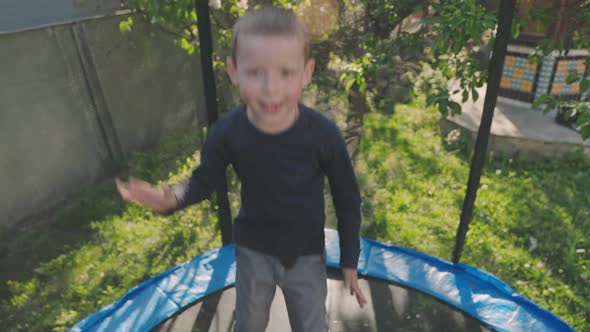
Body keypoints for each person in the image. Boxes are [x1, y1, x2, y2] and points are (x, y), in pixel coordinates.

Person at [115, 6, 366, 332]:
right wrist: (171, 198)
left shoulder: (323, 135)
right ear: (234, 72)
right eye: (255, 72)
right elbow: (204, 180)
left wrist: (349, 261)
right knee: (248, 325)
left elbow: (347, 198)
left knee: (312, 326)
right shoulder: (226, 133)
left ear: (307, 72)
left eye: (285, 73)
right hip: (253, 252)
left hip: (305, 254)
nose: (270, 88)